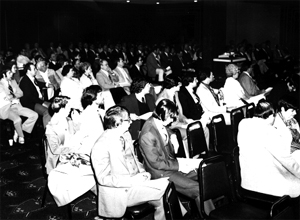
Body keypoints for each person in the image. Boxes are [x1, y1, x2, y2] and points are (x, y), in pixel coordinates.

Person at [91, 105, 169, 220]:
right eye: (128, 119)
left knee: (164, 196)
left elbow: (134, 159)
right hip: (120, 192)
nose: (131, 122)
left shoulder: (125, 135)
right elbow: (103, 179)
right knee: (166, 186)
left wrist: (142, 172)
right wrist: (132, 181)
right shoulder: (101, 145)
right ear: (118, 123)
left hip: (134, 182)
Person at [139, 99, 214, 213]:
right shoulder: (147, 134)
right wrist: (180, 165)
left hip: (169, 165)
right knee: (198, 188)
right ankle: (210, 214)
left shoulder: (156, 120)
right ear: (162, 114)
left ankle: (204, 208)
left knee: (203, 171)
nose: (172, 121)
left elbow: (165, 128)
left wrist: (172, 135)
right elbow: (157, 164)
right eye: (170, 117)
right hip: (160, 173)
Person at [237, 100, 300, 198]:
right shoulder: (269, 131)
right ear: (272, 116)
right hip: (265, 186)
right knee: (297, 185)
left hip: (247, 182)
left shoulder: (243, 124)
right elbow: (286, 160)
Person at [46, 96, 96, 207]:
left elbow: (75, 134)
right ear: (63, 109)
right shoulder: (51, 127)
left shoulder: (67, 120)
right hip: (60, 159)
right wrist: (74, 148)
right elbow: (55, 150)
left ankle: (101, 197)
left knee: (95, 159)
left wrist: (77, 122)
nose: (71, 108)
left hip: (71, 153)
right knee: (93, 167)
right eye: (68, 106)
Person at [0, 68, 38, 144]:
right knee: (18, 120)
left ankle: (19, 129)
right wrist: (10, 97)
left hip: (17, 105)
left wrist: (12, 96)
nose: (12, 74)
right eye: (9, 73)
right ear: (4, 75)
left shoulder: (13, 81)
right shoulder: (0, 85)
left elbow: (21, 93)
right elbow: (3, 98)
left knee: (34, 115)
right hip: (7, 108)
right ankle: (21, 136)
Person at [19, 62, 51, 128]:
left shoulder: (32, 77)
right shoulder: (25, 81)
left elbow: (37, 83)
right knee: (47, 111)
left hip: (36, 100)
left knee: (52, 107)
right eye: (34, 69)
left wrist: (46, 84)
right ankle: (47, 132)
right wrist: (42, 103)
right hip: (30, 103)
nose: (36, 70)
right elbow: (30, 97)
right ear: (28, 71)